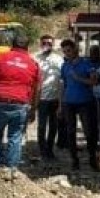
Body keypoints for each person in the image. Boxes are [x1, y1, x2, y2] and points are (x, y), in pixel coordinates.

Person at [0, 33, 39, 176]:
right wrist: (34, 108)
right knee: (15, 136)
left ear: (12, 45)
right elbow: (38, 88)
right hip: (20, 103)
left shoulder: (0, 57)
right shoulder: (33, 63)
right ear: (27, 47)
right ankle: (11, 168)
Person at [58, 39, 98, 171]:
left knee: (89, 132)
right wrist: (60, 104)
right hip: (69, 102)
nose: (67, 54)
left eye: (68, 50)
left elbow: (94, 81)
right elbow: (63, 85)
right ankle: (74, 160)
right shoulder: (65, 66)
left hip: (85, 102)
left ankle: (93, 159)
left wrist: (79, 78)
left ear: (75, 49)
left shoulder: (86, 64)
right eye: (64, 52)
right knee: (70, 132)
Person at [34, 34, 64, 163]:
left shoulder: (59, 59)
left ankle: (50, 150)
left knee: (53, 126)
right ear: (40, 44)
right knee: (41, 126)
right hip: (41, 98)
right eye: (45, 43)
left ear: (53, 45)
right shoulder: (35, 59)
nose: (47, 45)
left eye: (50, 43)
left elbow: (63, 79)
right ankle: (42, 151)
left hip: (55, 98)